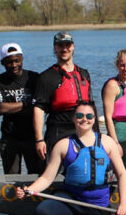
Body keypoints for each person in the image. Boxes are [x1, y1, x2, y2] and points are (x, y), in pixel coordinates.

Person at [15, 102, 126, 215]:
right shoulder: (62, 145)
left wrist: (123, 203)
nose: (84, 119)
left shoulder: (108, 142)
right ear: (73, 118)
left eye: (89, 116)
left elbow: (122, 175)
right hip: (70, 200)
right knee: (42, 213)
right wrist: (29, 190)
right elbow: (47, 177)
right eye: (79, 115)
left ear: (94, 119)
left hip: (97, 205)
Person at [33, 31, 93, 161]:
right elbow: (39, 108)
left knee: (84, 168)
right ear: (55, 48)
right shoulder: (46, 77)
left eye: (67, 45)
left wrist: (96, 134)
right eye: (60, 46)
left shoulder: (84, 74)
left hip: (82, 128)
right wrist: (39, 139)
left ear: (73, 47)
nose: (64, 49)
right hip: (58, 129)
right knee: (53, 171)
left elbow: (91, 106)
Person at [0, 43, 42, 174]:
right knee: (11, 179)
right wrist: (26, 104)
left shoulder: (34, 78)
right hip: (9, 138)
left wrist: (12, 107)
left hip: (32, 137)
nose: (14, 65)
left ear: (22, 59)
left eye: (17, 61)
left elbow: (39, 106)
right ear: (2, 62)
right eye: (9, 62)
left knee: (35, 176)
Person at [102, 49, 126, 174]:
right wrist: (115, 143)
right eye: (122, 65)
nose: (125, 68)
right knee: (119, 174)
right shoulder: (113, 85)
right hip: (119, 137)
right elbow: (108, 117)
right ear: (117, 65)